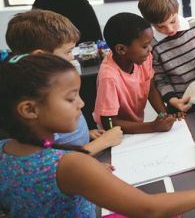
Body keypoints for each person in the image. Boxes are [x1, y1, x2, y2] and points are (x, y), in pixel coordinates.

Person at [0, 53, 195, 217]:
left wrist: (87, 176)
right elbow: (149, 209)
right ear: (30, 109)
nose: (82, 104)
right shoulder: (70, 165)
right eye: (71, 97)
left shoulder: (5, 148)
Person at [5, 9, 122, 155]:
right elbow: (55, 154)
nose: (72, 57)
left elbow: (61, 140)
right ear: (41, 56)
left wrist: (86, 134)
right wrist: (104, 142)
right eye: (68, 51)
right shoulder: (41, 99)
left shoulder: (50, 89)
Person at [138, 0, 195, 115]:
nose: (170, 29)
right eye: (160, 27)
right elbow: (160, 79)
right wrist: (173, 101)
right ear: (151, 24)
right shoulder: (153, 45)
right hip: (179, 104)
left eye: (173, 21)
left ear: (177, 10)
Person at [94, 13, 174, 134]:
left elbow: (151, 90)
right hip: (114, 134)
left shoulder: (145, 59)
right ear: (121, 49)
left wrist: (165, 115)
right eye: (145, 46)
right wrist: (152, 127)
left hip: (137, 127)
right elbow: (108, 123)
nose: (150, 49)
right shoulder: (109, 77)